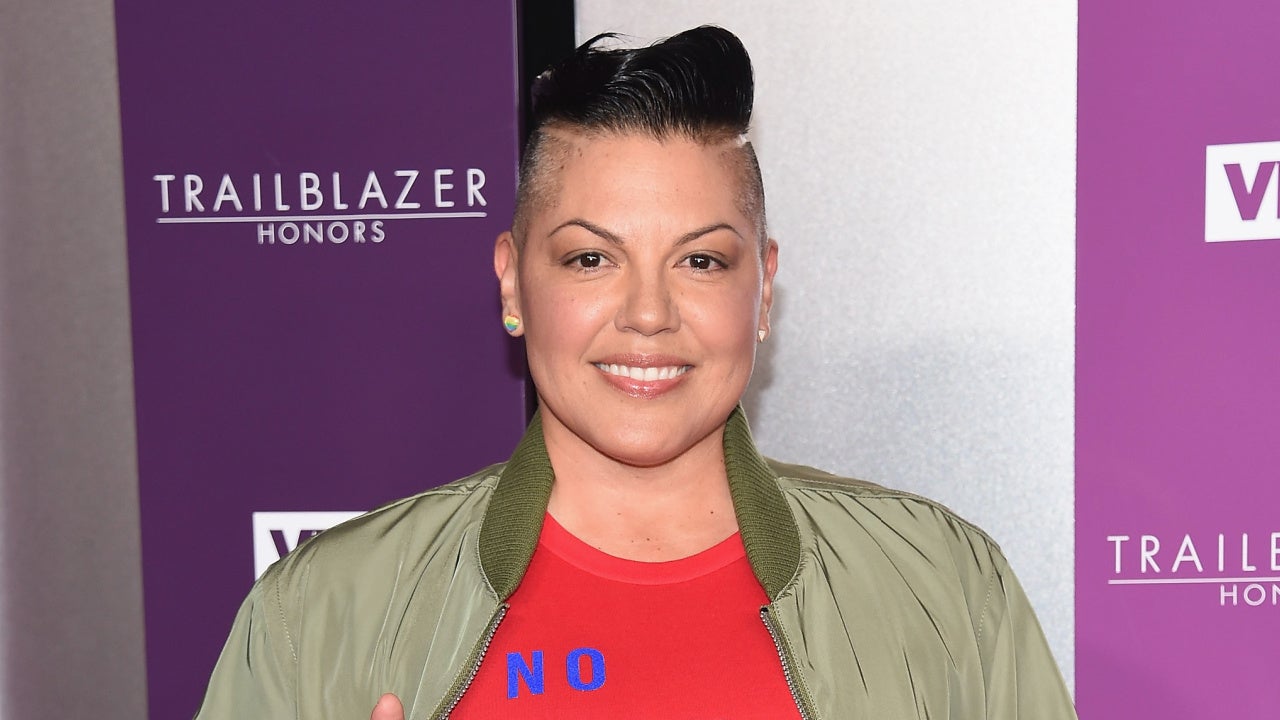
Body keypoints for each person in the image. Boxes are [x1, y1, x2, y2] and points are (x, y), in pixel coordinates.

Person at [195, 26, 1077, 720]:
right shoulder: (322, 614)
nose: (648, 314)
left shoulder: (942, 588)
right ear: (513, 284)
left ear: (763, 290)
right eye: (590, 259)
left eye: (701, 261)